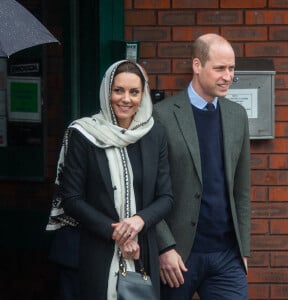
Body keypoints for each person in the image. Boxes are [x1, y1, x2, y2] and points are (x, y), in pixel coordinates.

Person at [46, 59, 174, 300]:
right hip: (92, 251)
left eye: (134, 92)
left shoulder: (155, 134)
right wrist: (118, 233)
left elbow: (166, 197)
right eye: (118, 90)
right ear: (107, 91)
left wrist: (138, 221)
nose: (126, 99)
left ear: (143, 95)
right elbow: (71, 199)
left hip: (141, 252)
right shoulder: (83, 134)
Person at [154, 33, 251, 300]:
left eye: (231, 68)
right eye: (219, 68)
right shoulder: (162, 115)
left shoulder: (236, 115)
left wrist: (243, 250)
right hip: (178, 257)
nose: (228, 76)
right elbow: (148, 188)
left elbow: (242, 189)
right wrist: (164, 248)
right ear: (197, 65)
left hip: (227, 256)